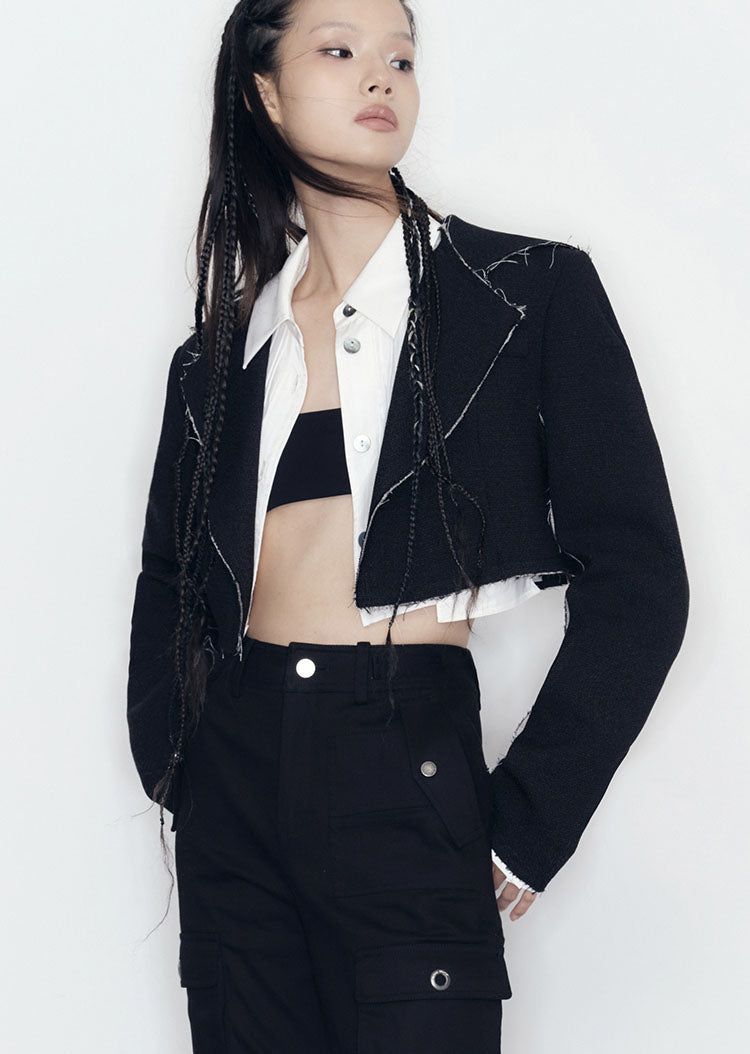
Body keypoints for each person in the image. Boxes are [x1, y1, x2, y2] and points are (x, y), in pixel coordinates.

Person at [126, 0, 690, 1050]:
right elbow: (170, 576)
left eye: (401, 56)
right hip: (232, 775)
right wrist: (175, 766)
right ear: (265, 92)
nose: (380, 76)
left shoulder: (525, 293)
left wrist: (532, 820)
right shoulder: (215, 359)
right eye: (339, 51)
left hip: (401, 750)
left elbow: (641, 580)